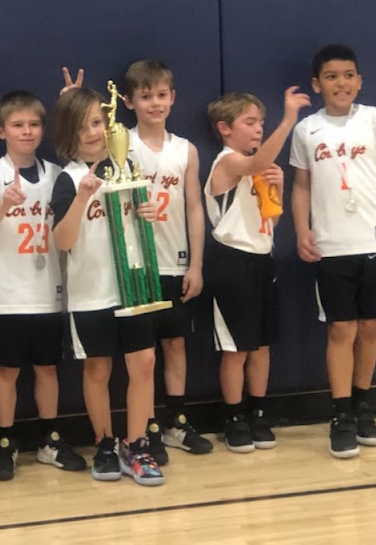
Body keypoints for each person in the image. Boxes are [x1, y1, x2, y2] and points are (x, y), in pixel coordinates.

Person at [290, 44, 376, 460]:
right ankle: (340, 416)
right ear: (317, 84)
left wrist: (364, 196)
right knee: (341, 330)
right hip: (332, 246)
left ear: (359, 80)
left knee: (370, 327)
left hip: (373, 240)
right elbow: (301, 185)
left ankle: (362, 406)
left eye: (349, 75)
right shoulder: (307, 130)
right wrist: (302, 229)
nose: (342, 83)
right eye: (332, 76)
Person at [49, 87, 163, 487]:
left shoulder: (127, 166)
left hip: (134, 287)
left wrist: (150, 211)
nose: (93, 133)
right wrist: (82, 198)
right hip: (91, 292)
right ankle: (105, 444)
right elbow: (63, 241)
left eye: (97, 123)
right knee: (98, 369)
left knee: (144, 363)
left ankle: (138, 445)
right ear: (69, 133)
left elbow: (140, 222)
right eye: (82, 127)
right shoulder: (68, 179)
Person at [0, 90, 87, 481]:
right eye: (18, 125)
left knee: (47, 369)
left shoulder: (57, 174)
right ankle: (5, 443)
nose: (27, 131)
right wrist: (5, 204)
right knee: (6, 373)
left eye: (34, 124)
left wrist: (70, 100)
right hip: (6, 294)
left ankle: (49, 440)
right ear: (1, 131)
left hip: (48, 290)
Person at [205, 87, 310, 453]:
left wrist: (275, 190)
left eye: (262, 122)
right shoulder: (227, 162)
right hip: (231, 261)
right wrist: (288, 120)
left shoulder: (259, 168)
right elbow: (254, 163)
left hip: (262, 259)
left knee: (262, 346)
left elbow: (270, 221)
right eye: (249, 122)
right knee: (236, 349)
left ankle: (258, 412)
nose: (258, 129)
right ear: (225, 128)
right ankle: (234, 416)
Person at [122, 59, 212, 464]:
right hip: (137, 267)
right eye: (146, 96)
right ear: (129, 102)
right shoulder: (121, 144)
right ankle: (146, 428)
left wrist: (196, 264)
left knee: (175, 344)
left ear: (173, 98)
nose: (155, 103)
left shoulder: (185, 150)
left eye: (161, 95)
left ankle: (176, 420)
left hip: (175, 263)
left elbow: (194, 207)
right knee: (143, 354)